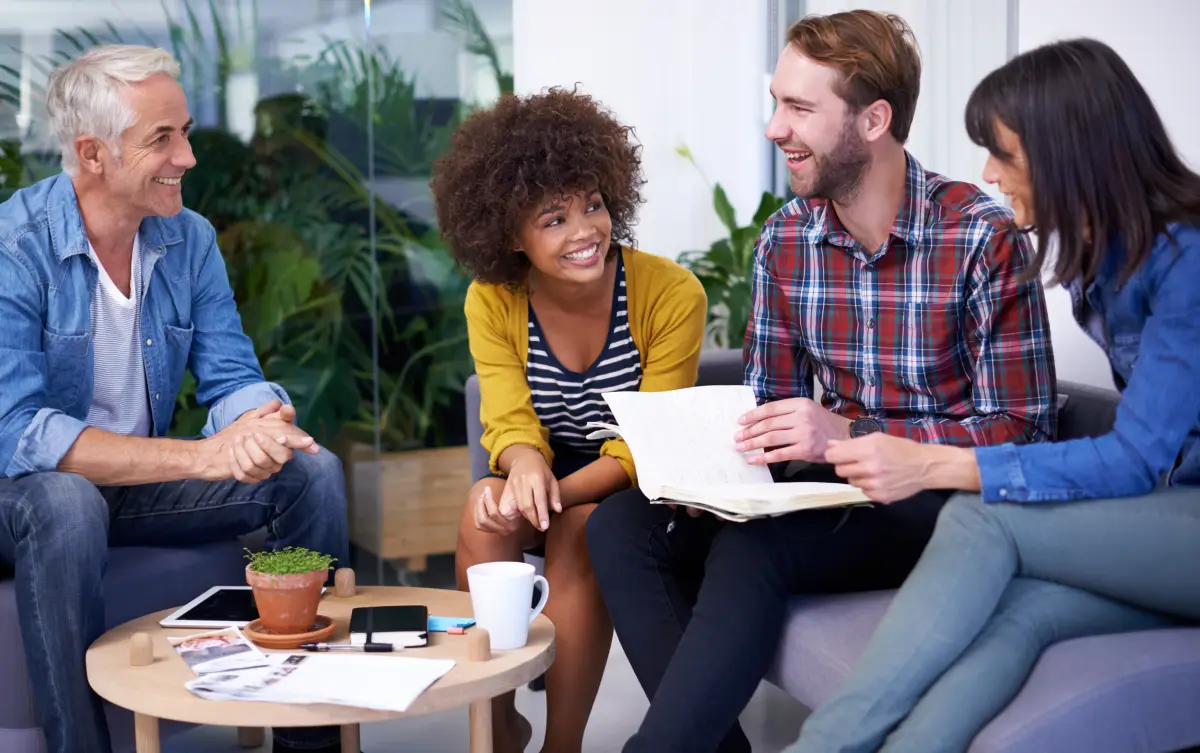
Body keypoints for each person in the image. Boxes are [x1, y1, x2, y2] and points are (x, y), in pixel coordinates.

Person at [586, 10, 1059, 753]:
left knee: (757, 551)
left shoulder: (979, 237)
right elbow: (770, 403)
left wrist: (852, 433)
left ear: (874, 120)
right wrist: (711, 469)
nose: (775, 128)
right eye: (776, 102)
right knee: (618, 525)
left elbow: (1026, 433)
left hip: (935, 505)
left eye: (800, 108)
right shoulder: (785, 241)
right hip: (821, 492)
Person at [787, 37, 1200, 753]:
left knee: (983, 522)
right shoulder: (1101, 260)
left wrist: (931, 463)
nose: (987, 173)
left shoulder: (1188, 259)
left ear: (1069, 151)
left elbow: (1135, 458)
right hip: (1171, 513)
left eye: (1003, 154)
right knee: (1020, 614)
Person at [0, 45, 349, 753]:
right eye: (163, 138)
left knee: (310, 471)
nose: (187, 156)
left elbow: (230, 374)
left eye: (184, 130)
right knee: (67, 499)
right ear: (93, 154)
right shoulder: (15, 244)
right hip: (23, 497)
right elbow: (18, 433)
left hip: (132, 490)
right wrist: (204, 456)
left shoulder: (188, 240)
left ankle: (311, 736)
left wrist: (261, 422)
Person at [431, 88, 707, 753]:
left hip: (636, 481)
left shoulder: (671, 294)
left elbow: (649, 444)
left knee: (581, 529)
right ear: (508, 234)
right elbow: (505, 416)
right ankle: (496, 724)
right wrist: (524, 465)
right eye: (553, 218)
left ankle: (563, 744)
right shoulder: (492, 298)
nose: (585, 231)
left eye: (593, 205)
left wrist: (556, 491)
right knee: (480, 509)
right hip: (548, 466)